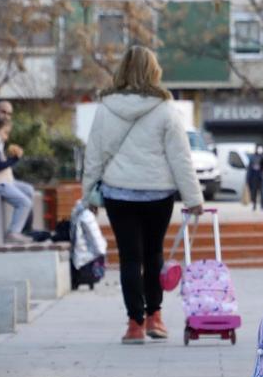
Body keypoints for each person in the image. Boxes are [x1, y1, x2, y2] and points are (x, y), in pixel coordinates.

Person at [82, 45, 204, 344]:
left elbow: (94, 154)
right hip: (157, 193)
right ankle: (155, 317)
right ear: (154, 70)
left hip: (117, 193)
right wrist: (193, 198)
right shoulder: (165, 109)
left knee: (128, 258)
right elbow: (180, 157)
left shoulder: (106, 107)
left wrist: (88, 193)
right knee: (153, 254)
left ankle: (134, 324)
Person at [247, 143, 263, 211]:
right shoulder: (252, 157)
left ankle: (262, 205)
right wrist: (248, 179)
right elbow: (249, 168)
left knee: (262, 192)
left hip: (261, 177)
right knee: (254, 192)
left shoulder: (262, 157)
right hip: (254, 177)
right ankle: (254, 205)